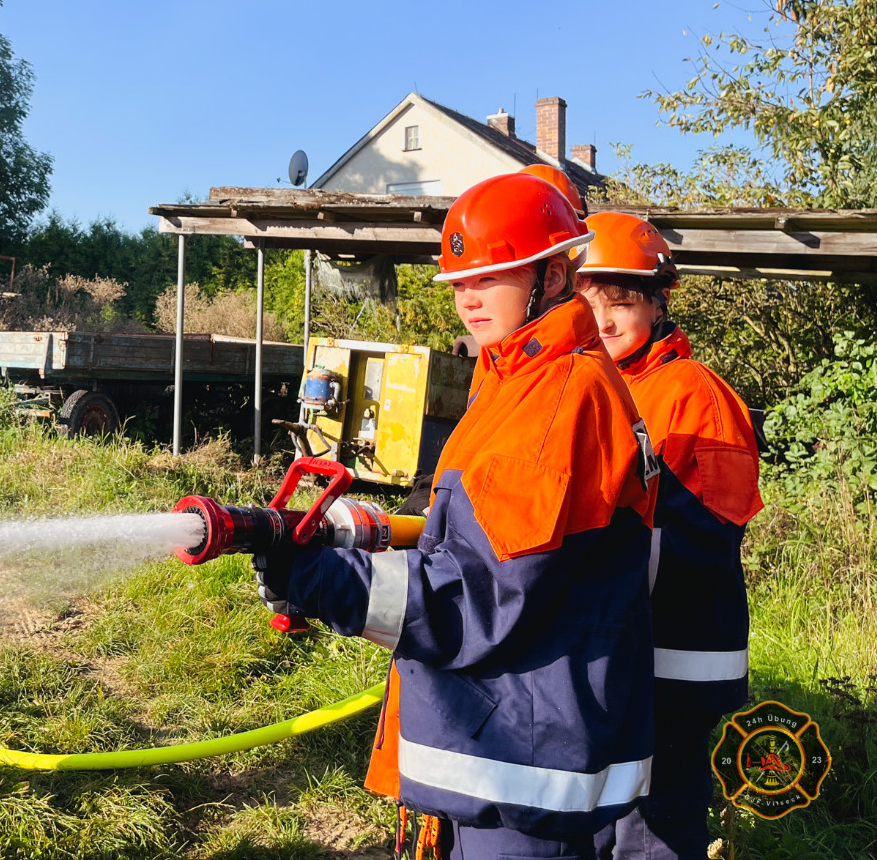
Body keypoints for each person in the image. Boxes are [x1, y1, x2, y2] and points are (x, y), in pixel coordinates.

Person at [256, 173, 658, 860]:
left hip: (525, 762)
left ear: (553, 274)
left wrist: (330, 581)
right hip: (509, 737)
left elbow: (483, 591)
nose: (468, 296)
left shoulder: (557, 395)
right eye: (460, 281)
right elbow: (477, 529)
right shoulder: (517, 377)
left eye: (491, 276)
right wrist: (366, 532)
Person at [576, 213, 762, 860]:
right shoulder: (603, 388)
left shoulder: (693, 395)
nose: (602, 320)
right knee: (605, 817)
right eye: (586, 303)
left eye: (619, 303)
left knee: (651, 829)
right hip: (624, 653)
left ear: (657, 303)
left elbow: (701, 541)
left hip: (674, 662)